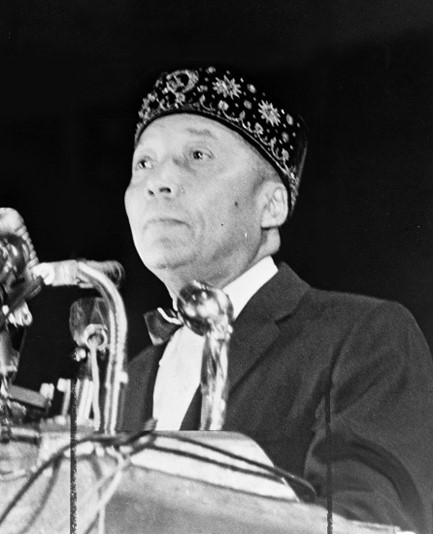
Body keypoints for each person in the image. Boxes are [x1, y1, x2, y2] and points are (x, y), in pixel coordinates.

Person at [121, 65, 433, 533]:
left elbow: (373, 524)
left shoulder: (363, 336)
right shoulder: (132, 376)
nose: (157, 181)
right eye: (143, 163)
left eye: (198, 154)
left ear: (271, 204)